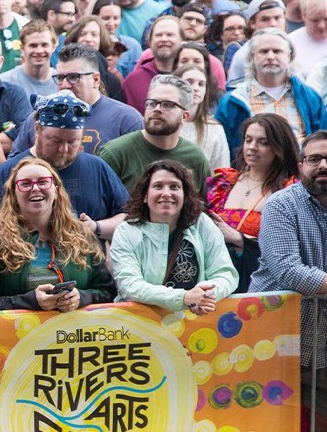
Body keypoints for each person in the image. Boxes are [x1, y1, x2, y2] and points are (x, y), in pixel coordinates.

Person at [0, 92, 129, 244]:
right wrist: (26, 230)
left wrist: (95, 227)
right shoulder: (9, 171)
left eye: (73, 142)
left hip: (88, 267)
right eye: (56, 141)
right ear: (37, 129)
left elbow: (130, 220)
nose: (64, 150)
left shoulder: (97, 168)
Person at [249, 130, 327, 428]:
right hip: (276, 332)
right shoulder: (281, 205)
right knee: (271, 420)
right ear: (300, 166)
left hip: (323, 338)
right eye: (315, 158)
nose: (323, 165)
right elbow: (287, 270)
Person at [0, 158, 116, 312]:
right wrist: (28, 302)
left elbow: (108, 292)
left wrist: (82, 298)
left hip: (75, 334)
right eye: (25, 184)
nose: (35, 188)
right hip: (18, 334)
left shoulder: (82, 234)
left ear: (56, 191)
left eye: (43, 182)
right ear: (13, 196)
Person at [109, 160, 238, 313]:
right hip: (142, 325)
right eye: (158, 186)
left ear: (185, 195)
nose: (166, 193)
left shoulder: (202, 224)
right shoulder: (127, 231)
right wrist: (184, 298)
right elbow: (130, 286)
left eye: (174, 187)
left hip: (196, 324)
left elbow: (225, 274)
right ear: (145, 196)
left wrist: (207, 295)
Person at [206, 114, 299, 293]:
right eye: (248, 140)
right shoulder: (224, 182)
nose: (252, 147)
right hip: (217, 277)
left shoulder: (290, 190)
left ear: (280, 147)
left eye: (263, 142)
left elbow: (290, 247)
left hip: (264, 283)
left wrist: (239, 239)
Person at [8, 44, 144, 157]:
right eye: (60, 77)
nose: (65, 85)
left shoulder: (126, 119)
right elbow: (13, 167)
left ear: (95, 80)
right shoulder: (39, 117)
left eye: (74, 77)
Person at [216, 29, 327, 147]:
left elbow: (322, 142)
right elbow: (224, 148)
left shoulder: (310, 97)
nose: (270, 56)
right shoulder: (233, 101)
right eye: (263, 52)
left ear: (289, 56)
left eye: (277, 51)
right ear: (252, 57)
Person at [98, 75, 212, 190]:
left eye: (167, 105)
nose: (157, 109)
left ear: (184, 116)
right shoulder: (115, 153)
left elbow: (210, 205)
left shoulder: (196, 158)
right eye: (152, 103)